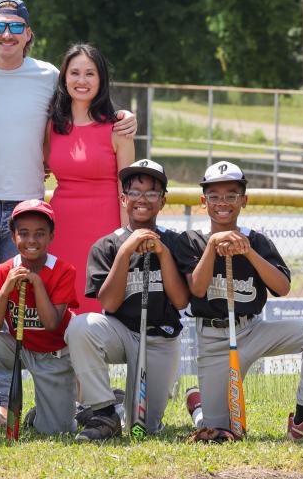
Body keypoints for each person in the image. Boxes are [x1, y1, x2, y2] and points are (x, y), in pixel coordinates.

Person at [0, 0, 137, 428]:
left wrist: (124, 116)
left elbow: (85, 106)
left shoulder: (48, 76)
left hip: (28, 215)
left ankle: (3, 399)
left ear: (28, 34)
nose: (6, 35)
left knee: (21, 308)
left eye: (16, 27)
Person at [173, 161, 303, 444]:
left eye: (232, 195)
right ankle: (198, 406)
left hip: (254, 331)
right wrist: (212, 246)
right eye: (214, 196)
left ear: (244, 200)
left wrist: (249, 252)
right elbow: (196, 288)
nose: (223, 202)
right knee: (222, 431)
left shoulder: (256, 240)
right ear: (202, 200)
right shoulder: (191, 240)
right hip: (214, 339)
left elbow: (282, 287)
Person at [66, 159, 188, 442]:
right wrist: (126, 251)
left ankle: (118, 406)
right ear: (123, 199)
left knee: (143, 427)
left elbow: (181, 301)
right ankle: (105, 411)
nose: (142, 200)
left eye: (151, 193)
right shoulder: (107, 245)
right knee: (81, 327)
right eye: (134, 192)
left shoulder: (175, 242)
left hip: (159, 337)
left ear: (162, 200)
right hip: (119, 333)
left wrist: (163, 253)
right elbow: (108, 302)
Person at [0, 200, 79, 441]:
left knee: (57, 430)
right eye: (24, 233)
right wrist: (6, 289)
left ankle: (38, 415)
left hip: (53, 354)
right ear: (13, 236)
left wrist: (37, 284)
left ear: (51, 236)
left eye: (40, 234)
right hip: (17, 348)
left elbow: (51, 323)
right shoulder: (4, 271)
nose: (31, 240)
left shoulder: (63, 270)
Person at [46, 43, 134, 314]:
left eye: (90, 74)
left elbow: (127, 188)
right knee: (63, 307)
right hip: (61, 229)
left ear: (101, 79)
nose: (81, 81)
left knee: (99, 312)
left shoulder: (118, 126)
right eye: (74, 73)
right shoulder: (52, 124)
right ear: (64, 78)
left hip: (105, 229)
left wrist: (127, 239)